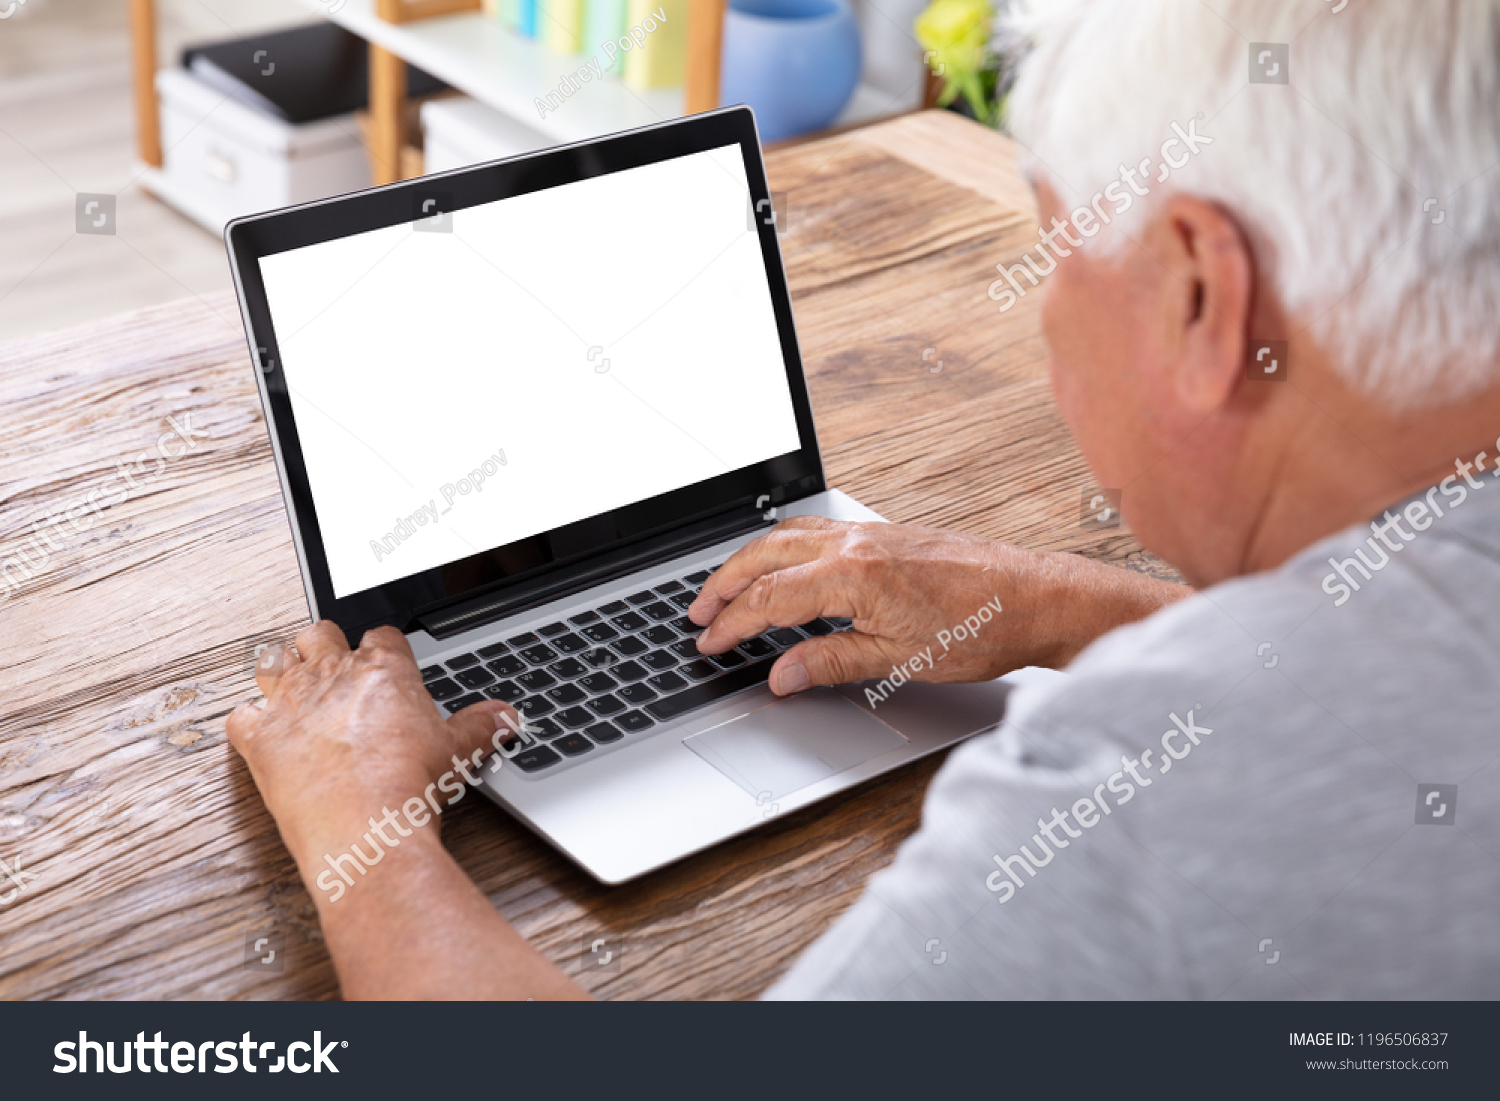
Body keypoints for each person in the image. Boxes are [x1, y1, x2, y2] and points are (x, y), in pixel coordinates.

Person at [228, 0, 1500, 999]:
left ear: (1200, 298)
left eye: (1051, 242)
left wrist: (364, 838)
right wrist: (1061, 605)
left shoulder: (1147, 805)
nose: (1047, 303)